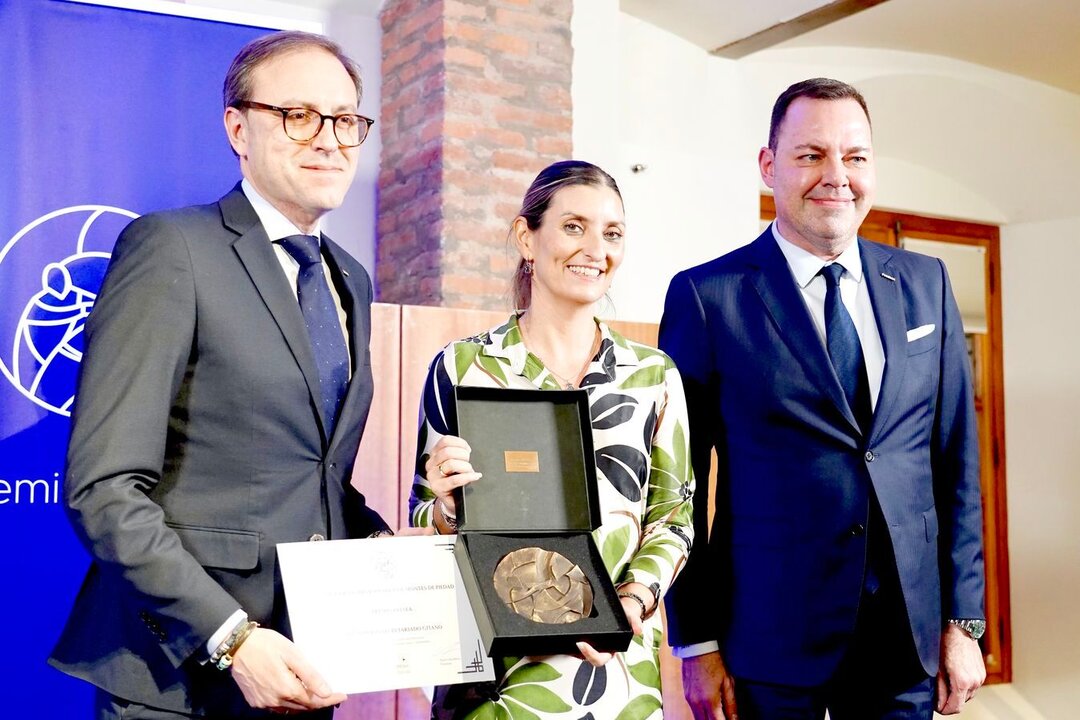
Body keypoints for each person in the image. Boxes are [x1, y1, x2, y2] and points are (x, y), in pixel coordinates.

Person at [49, 31, 392, 719]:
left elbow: (309, 472)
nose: (328, 139)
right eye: (298, 116)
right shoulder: (174, 248)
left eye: (346, 120)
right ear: (238, 127)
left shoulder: (348, 277)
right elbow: (105, 487)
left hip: (299, 667)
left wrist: (388, 544)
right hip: (179, 677)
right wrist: (233, 639)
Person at [660, 78, 987, 720]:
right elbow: (679, 489)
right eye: (811, 154)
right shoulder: (707, 297)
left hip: (907, 639)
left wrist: (963, 621)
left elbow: (957, 465)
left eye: (854, 156)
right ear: (769, 165)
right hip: (771, 640)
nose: (836, 175)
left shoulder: (926, 283)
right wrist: (696, 644)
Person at [409, 160, 696, 719]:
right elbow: (420, 513)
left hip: (617, 675)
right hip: (493, 680)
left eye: (612, 233)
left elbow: (674, 518)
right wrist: (444, 508)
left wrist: (630, 605)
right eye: (573, 226)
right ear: (526, 237)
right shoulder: (464, 365)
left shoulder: (653, 376)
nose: (596, 248)